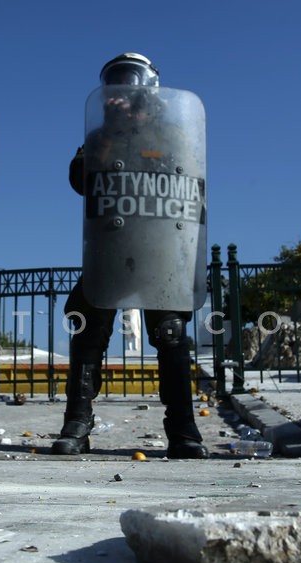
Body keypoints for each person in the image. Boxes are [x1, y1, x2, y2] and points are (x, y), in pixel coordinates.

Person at [51, 53, 208, 458]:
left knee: (171, 333)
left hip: (162, 253)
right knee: (87, 327)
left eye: (128, 81)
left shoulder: (173, 133)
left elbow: (192, 192)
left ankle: (184, 430)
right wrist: (108, 138)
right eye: (113, 83)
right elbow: (77, 178)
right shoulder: (99, 137)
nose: (119, 91)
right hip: (111, 251)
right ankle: (77, 424)